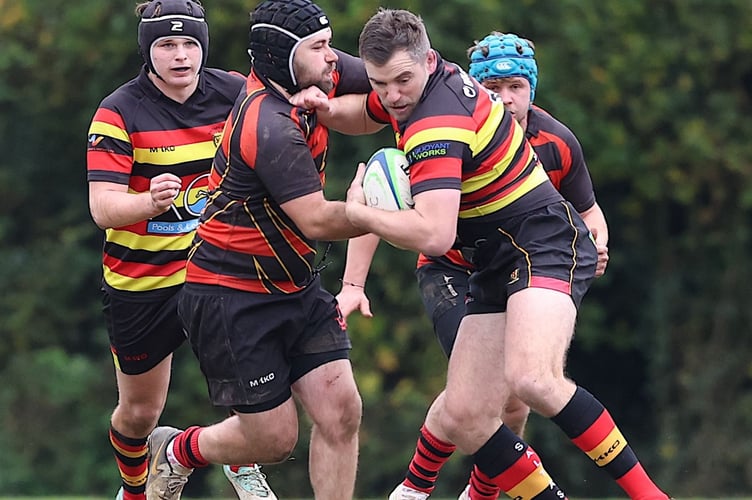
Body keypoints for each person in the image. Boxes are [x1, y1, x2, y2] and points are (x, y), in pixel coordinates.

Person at [343, 8, 670, 500]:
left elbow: (589, 211)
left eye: (515, 85)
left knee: (530, 381)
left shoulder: (547, 139)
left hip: (541, 244)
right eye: (492, 84)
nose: (503, 96)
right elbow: (357, 96)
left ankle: (651, 497)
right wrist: (352, 280)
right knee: (468, 413)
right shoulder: (421, 101)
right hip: (471, 265)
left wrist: (353, 214)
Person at [144, 1, 381, 499]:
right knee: (274, 440)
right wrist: (377, 212)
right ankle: (177, 450)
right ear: (284, 58)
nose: (333, 57)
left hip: (294, 284)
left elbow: (391, 75)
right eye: (319, 48)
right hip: (231, 294)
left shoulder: (312, 73)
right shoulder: (268, 123)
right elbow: (316, 218)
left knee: (342, 412)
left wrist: (441, 81)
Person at [86, 1, 276, 499]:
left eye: (190, 43)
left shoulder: (234, 92)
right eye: (167, 45)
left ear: (203, 46)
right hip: (141, 279)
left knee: (247, 377)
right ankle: (134, 489)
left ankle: (244, 464)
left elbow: (283, 120)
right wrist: (147, 200)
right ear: (148, 50)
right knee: (140, 413)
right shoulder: (119, 110)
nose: (180, 55)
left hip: (215, 268)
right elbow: (103, 208)